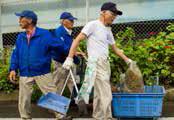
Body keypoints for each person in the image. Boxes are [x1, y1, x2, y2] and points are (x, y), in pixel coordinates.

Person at [63, 2, 133, 120]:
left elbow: (115, 49)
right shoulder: (93, 25)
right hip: (95, 63)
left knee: (100, 92)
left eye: (116, 14)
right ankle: (106, 117)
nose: (114, 16)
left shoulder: (108, 30)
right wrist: (70, 58)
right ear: (102, 12)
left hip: (105, 63)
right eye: (112, 13)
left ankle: (98, 115)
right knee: (105, 92)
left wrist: (128, 60)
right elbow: (77, 40)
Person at [8, 10, 68, 120]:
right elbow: (15, 54)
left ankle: (61, 116)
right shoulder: (20, 37)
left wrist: (71, 53)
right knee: (24, 98)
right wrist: (13, 69)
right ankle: (25, 117)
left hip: (42, 71)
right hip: (25, 72)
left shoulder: (45, 34)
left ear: (30, 20)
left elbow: (60, 46)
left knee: (52, 93)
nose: (19, 21)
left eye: (21, 18)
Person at [52, 12, 87, 118]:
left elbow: (70, 48)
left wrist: (76, 54)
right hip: (61, 63)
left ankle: (80, 106)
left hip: (69, 61)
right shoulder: (58, 32)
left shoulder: (68, 32)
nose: (73, 22)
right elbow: (62, 48)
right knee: (58, 85)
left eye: (73, 20)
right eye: (70, 20)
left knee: (73, 83)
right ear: (63, 21)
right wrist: (75, 58)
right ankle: (53, 108)